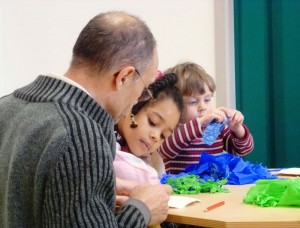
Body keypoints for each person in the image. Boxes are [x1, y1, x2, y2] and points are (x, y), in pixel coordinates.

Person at [0, 11, 173, 227]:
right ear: (124, 77)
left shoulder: (6, 105)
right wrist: (141, 211)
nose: (138, 98)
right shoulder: (81, 135)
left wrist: (95, 190)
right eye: (143, 88)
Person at [158, 62, 254, 174]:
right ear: (174, 105)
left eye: (207, 100)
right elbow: (165, 151)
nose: (203, 107)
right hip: (183, 189)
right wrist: (199, 124)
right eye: (193, 102)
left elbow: (243, 150)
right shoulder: (171, 129)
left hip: (215, 188)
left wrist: (237, 129)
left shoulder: (215, 127)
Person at [114, 73, 184, 184]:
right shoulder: (104, 137)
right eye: (152, 122)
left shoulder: (152, 161)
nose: (156, 136)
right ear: (134, 103)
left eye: (163, 136)